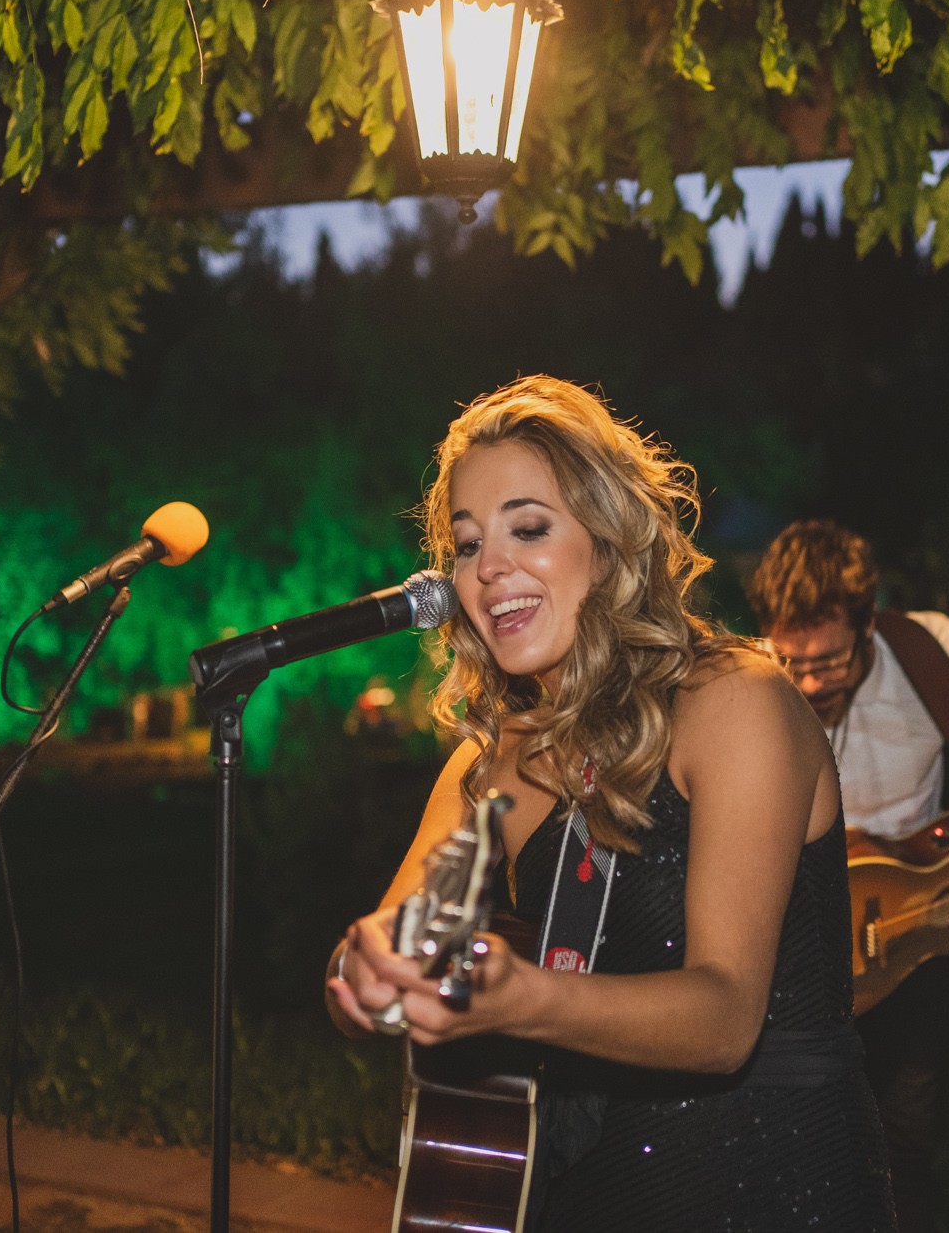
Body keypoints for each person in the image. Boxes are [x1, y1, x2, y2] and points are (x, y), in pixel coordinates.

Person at [325, 378, 895, 1231]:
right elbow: (384, 950)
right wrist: (360, 976)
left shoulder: (737, 702)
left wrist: (524, 998)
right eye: (469, 544)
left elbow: (725, 1015)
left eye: (528, 527)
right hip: (581, 1189)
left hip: (770, 1178)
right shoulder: (486, 767)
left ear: (608, 536)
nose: (489, 568)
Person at [747, 519, 949, 1233]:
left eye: (827, 661)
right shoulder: (754, 676)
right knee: (794, 1126)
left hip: (919, 918)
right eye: (791, 659)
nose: (808, 680)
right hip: (803, 935)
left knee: (905, 1128)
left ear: (868, 623)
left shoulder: (933, 651)